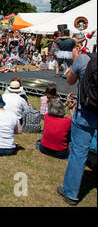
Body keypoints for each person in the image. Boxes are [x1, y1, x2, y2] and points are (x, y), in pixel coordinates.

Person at [57, 49, 97, 205]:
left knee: (78, 153)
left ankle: (70, 192)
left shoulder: (83, 60)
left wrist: (75, 60)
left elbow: (70, 80)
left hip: (85, 113)